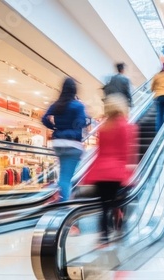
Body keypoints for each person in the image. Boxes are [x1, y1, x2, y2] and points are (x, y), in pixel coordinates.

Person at [82, 94, 138, 243]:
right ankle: (120, 228)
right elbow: (127, 152)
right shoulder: (126, 126)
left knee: (104, 206)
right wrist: (129, 172)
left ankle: (104, 235)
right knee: (119, 200)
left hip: (100, 171)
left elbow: (100, 151)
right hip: (116, 171)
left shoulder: (104, 127)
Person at [42, 77, 87, 202]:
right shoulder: (78, 106)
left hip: (58, 142)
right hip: (73, 144)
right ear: (74, 90)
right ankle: (64, 205)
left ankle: (63, 198)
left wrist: (55, 127)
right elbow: (82, 122)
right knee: (67, 177)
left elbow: (44, 118)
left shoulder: (57, 105)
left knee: (64, 174)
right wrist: (74, 128)